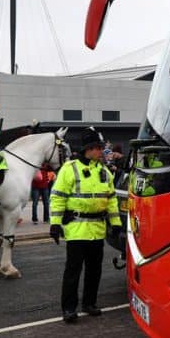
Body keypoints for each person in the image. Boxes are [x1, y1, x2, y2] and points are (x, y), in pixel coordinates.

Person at [49, 127, 121, 323]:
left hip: (97, 230)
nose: (101, 151)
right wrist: (55, 224)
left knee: (94, 270)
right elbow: (57, 198)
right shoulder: (69, 168)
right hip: (76, 228)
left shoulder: (104, 171)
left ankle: (89, 303)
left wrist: (115, 223)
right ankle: (69, 308)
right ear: (88, 149)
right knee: (73, 271)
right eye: (98, 148)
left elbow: (112, 199)